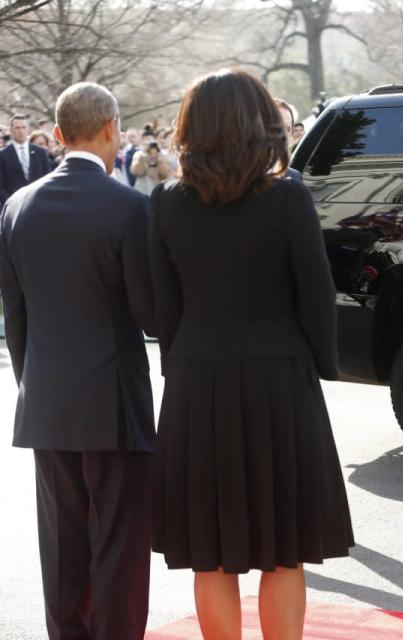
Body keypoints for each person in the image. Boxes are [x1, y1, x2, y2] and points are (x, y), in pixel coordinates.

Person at [149, 68, 353, 639]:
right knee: (282, 547)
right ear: (257, 123)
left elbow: (162, 309)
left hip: (196, 380)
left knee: (209, 551)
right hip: (279, 379)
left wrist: (183, 361)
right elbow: (317, 294)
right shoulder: (287, 196)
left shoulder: (166, 202)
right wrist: (321, 364)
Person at [0, 82, 155, 638]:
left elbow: (15, 318)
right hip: (113, 403)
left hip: (44, 399)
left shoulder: (17, 206)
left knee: (62, 545)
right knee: (119, 543)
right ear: (113, 128)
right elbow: (150, 315)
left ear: (59, 135)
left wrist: (34, 384)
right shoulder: (132, 207)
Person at [0, 114, 55, 206]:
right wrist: (10, 203)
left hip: (38, 203)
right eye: (17, 128)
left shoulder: (40, 152)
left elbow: (48, 178)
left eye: (23, 127)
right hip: (13, 205)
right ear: (11, 130)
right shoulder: (3, 155)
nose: (21, 131)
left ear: (28, 129)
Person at [275, 97, 304, 181]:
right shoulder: (242, 175)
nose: (283, 134)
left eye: (288, 129)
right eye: (278, 126)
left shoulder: (295, 177)